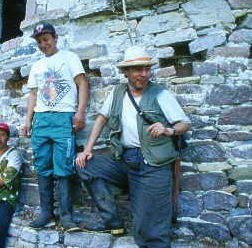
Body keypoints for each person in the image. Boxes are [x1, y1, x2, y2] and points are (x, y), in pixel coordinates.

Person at [75, 46, 191, 246]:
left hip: (154, 164)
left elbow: (185, 124)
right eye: (138, 69)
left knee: (149, 231)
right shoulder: (117, 93)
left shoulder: (160, 95)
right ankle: (112, 221)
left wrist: (168, 130)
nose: (144, 74)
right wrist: (87, 149)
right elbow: (102, 119)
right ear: (125, 72)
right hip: (124, 159)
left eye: (147, 69)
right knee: (83, 165)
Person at [23, 22, 89, 231]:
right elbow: (33, 94)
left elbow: (82, 84)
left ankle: (66, 216)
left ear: (55, 38)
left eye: (46, 39)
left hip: (63, 118)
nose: (43, 44)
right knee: (42, 166)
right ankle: (46, 213)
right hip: (41, 119)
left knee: (64, 166)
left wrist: (80, 113)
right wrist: (28, 120)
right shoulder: (36, 66)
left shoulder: (69, 57)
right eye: (39, 41)